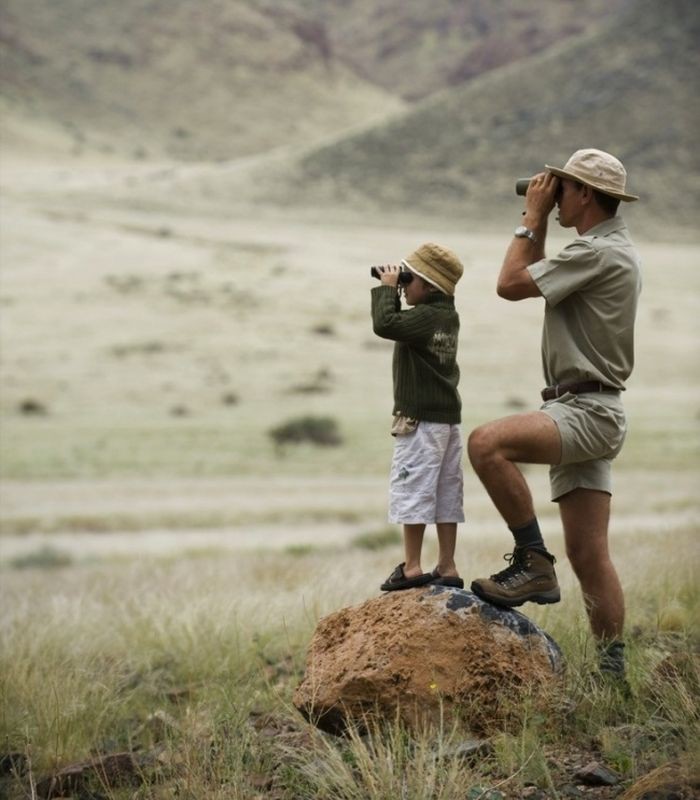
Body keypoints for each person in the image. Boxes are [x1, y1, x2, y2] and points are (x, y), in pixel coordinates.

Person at [467, 149, 641, 679]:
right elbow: (532, 276)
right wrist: (543, 220)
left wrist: (531, 219)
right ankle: (614, 676)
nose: (554, 195)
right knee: (590, 558)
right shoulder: (603, 249)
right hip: (588, 406)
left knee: (486, 443)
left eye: (562, 188)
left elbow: (510, 284)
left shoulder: (596, 252)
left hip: (586, 410)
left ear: (586, 194)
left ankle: (532, 563)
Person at [371, 243, 465, 592]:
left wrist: (385, 289)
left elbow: (385, 324)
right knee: (445, 491)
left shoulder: (425, 317)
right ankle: (448, 564)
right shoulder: (446, 315)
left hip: (420, 420)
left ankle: (412, 567)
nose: (403, 285)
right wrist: (397, 288)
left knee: (413, 489)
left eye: (408, 279)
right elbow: (398, 324)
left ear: (428, 286)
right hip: (446, 420)